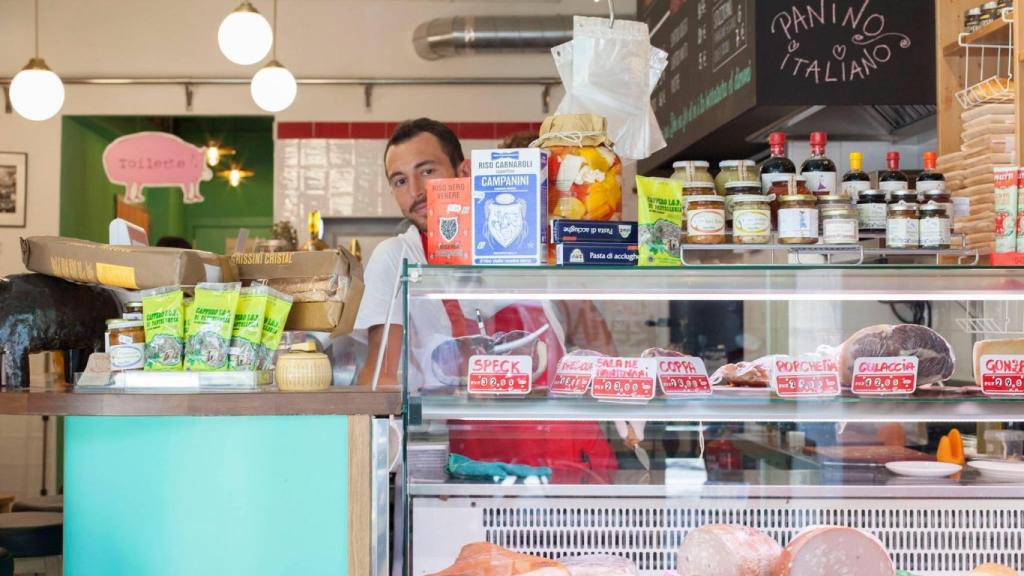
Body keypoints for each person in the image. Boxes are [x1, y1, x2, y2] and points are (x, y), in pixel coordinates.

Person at [354, 118, 620, 482]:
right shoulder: (398, 256)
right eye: (400, 180)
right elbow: (380, 377)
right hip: (477, 465)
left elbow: (597, 345)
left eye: (427, 171)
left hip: (567, 454)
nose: (415, 190)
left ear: (463, 172)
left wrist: (625, 414)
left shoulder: (523, 236)